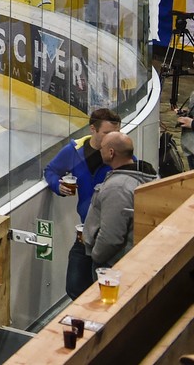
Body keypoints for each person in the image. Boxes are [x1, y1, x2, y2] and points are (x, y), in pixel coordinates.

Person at [44, 108, 122, 299]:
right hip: (86, 232)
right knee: (75, 287)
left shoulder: (119, 154)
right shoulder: (74, 151)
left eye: (116, 133)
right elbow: (51, 170)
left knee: (104, 291)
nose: (112, 138)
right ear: (92, 130)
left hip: (111, 234)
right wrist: (58, 186)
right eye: (107, 133)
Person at [83, 132, 156, 270]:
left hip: (111, 265)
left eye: (102, 147)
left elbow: (111, 236)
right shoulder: (147, 176)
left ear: (111, 153)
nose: (99, 150)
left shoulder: (118, 187)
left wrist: (96, 257)